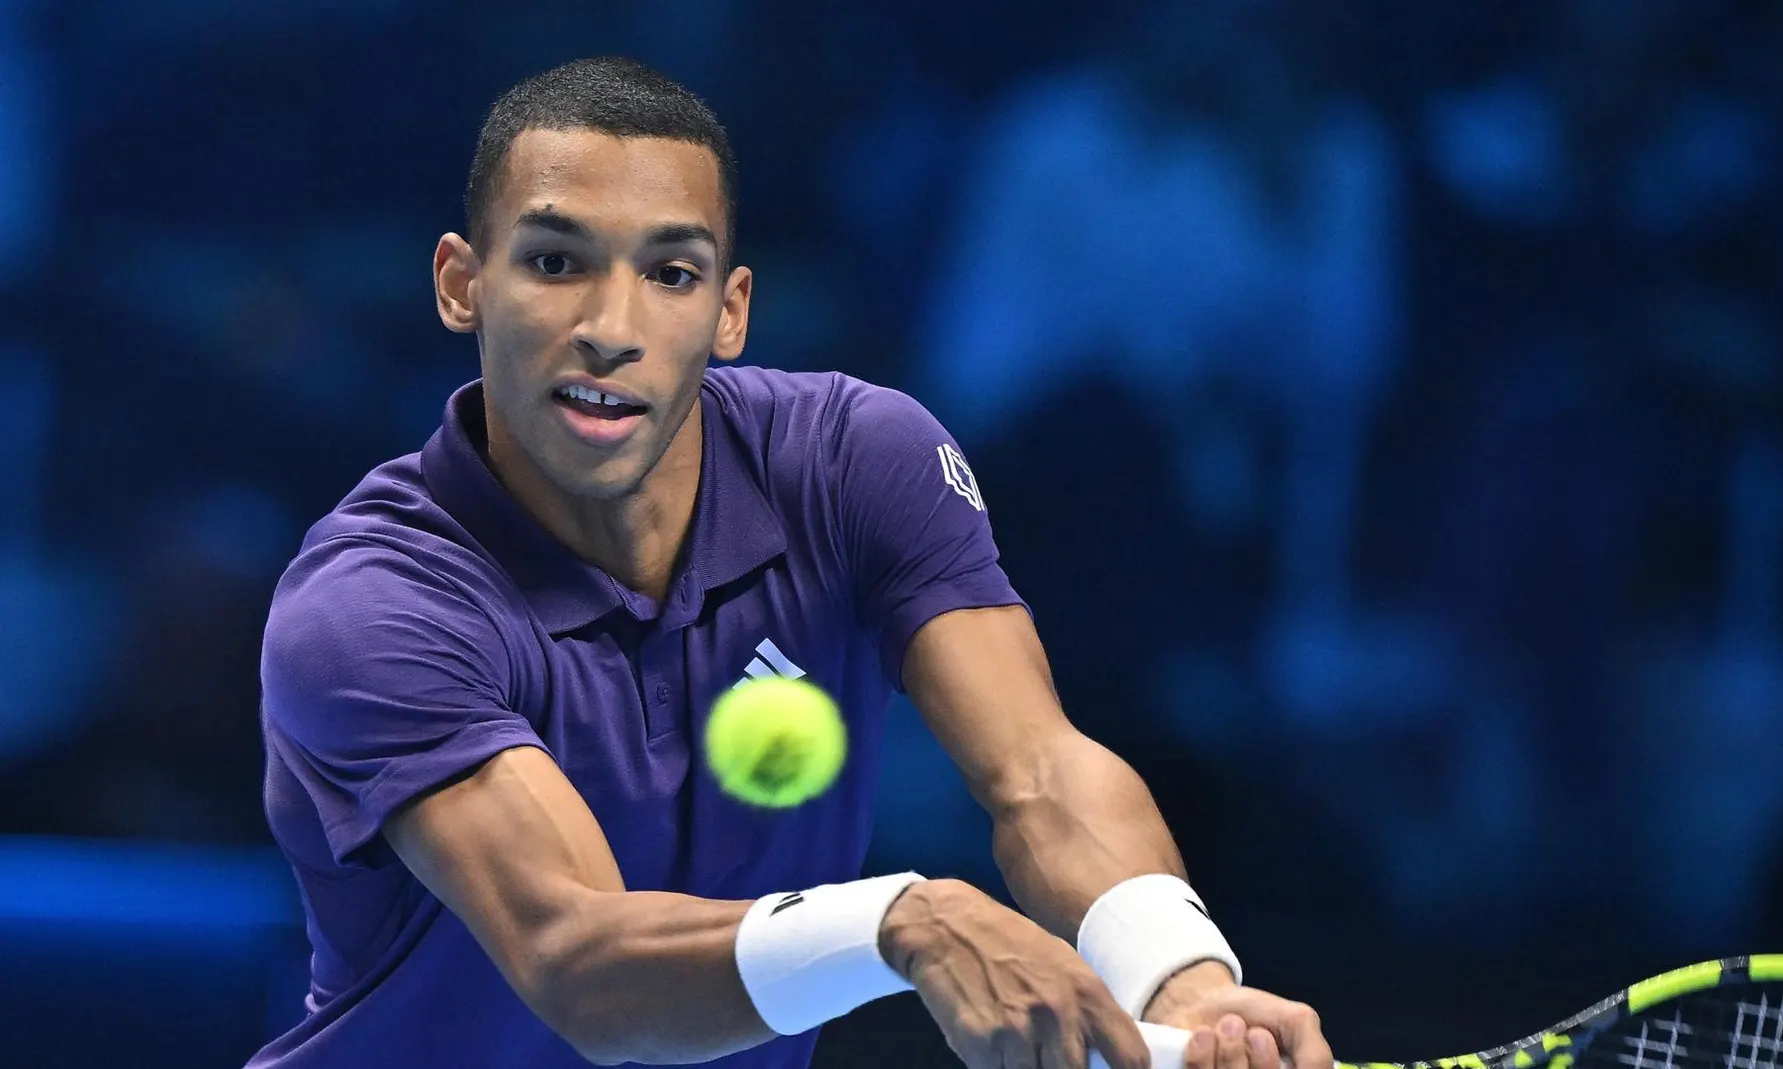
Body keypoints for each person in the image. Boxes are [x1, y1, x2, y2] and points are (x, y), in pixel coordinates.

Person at [247, 56, 1334, 1069]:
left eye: (670, 273)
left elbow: (1039, 768)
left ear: (730, 312)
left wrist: (1181, 977)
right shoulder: (371, 602)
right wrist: (899, 920)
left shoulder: (856, 460)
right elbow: (575, 956)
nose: (611, 326)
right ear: (460, 284)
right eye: (554, 261)